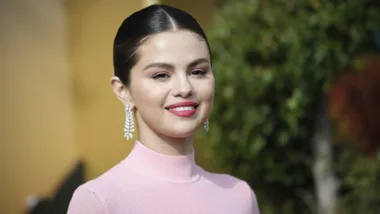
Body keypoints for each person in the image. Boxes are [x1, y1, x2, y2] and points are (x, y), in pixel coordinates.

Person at [67, 4, 260, 214]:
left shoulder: (239, 196)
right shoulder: (99, 201)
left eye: (197, 71)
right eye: (161, 75)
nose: (185, 88)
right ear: (123, 91)